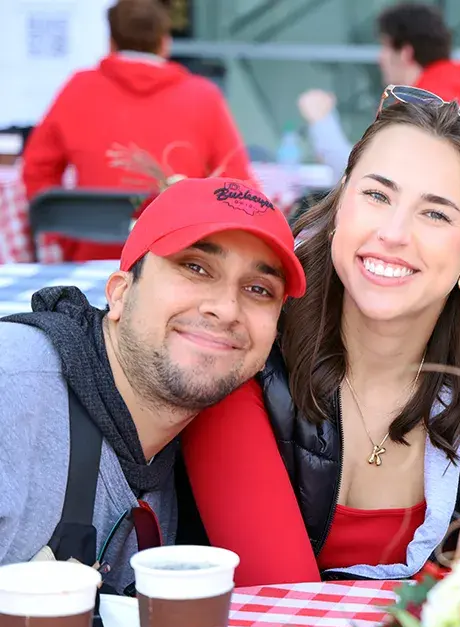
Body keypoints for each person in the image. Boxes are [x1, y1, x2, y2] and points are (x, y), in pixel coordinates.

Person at [181, 92, 460, 586]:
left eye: (435, 214)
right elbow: (287, 608)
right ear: (342, 200)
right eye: (377, 195)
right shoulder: (248, 360)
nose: (393, 232)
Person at [0, 177, 304, 595]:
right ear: (120, 293)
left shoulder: (190, 446)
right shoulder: (12, 390)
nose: (226, 308)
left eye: (258, 289)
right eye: (195, 268)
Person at [21, 0, 255, 262]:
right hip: (178, 259)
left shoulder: (77, 88)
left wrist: (66, 234)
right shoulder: (204, 96)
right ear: (164, 42)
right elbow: (239, 188)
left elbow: (36, 172)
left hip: (88, 254)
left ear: (111, 41)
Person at [301, 2, 460, 175]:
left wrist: (322, 122)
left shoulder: (425, 108)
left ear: (405, 53)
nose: (379, 58)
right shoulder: (455, 95)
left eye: (384, 46)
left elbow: (367, 176)